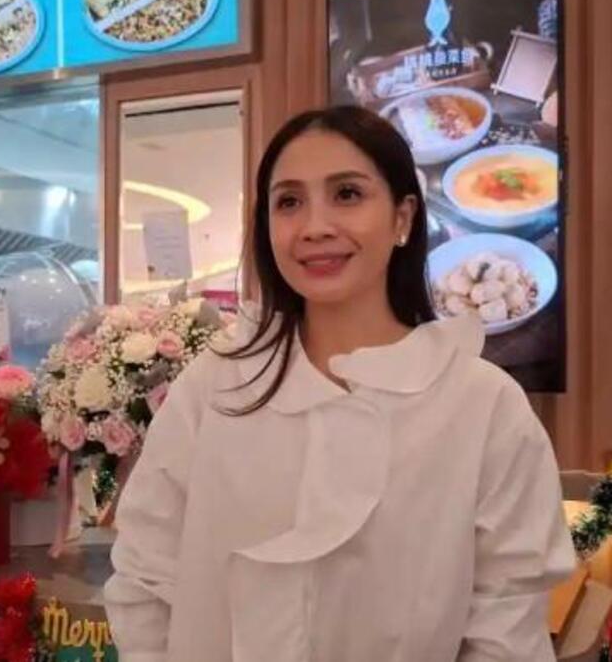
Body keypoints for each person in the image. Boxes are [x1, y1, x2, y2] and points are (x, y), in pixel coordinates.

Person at [104, 106, 577, 662]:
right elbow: (145, 572)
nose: (315, 226)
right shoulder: (217, 383)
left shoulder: (482, 405)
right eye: (289, 202)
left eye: (347, 194)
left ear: (402, 218)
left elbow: (506, 620)